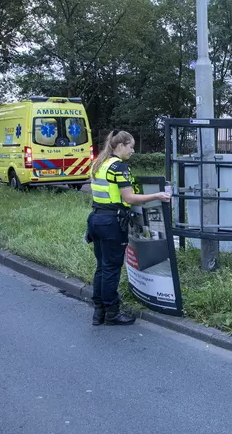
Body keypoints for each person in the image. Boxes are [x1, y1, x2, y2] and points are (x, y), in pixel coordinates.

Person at [87, 130, 171, 326]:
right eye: (131, 146)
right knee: (111, 269)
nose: (133, 150)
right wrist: (157, 196)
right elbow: (129, 198)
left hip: (95, 219)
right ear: (120, 145)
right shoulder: (119, 167)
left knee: (101, 266)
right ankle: (112, 312)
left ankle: (98, 312)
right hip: (111, 223)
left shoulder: (99, 164)